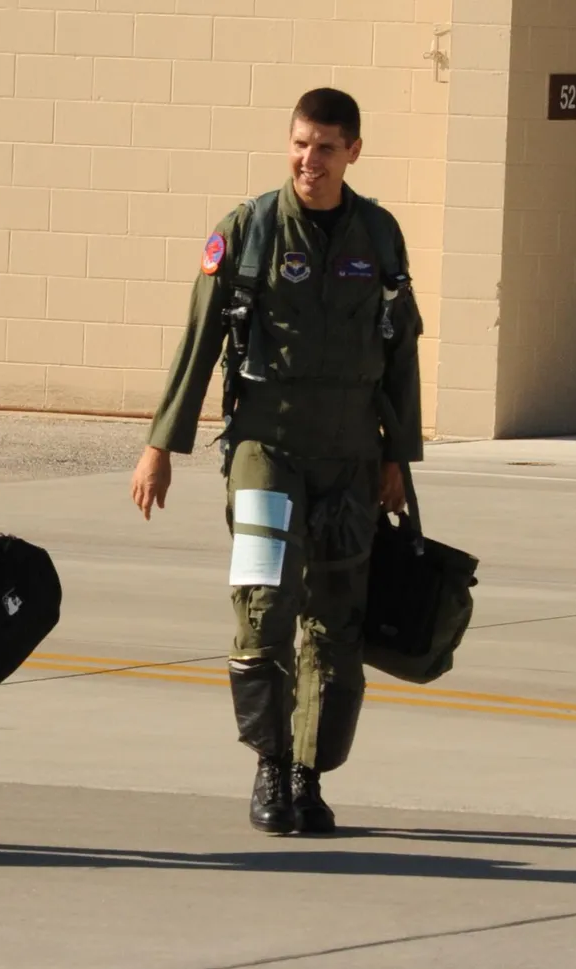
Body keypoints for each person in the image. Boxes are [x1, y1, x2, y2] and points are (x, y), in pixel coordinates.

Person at [130, 89, 423, 835]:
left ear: (353, 151)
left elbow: (400, 356)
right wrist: (161, 444)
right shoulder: (249, 231)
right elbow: (197, 342)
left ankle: (308, 773)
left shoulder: (380, 238)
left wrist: (400, 457)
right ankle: (267, 764)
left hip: (352, 456)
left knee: (335, 626)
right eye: (299, 143)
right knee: (264, 610)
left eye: (325, 146)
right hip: (267, 448)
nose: (309, 159)